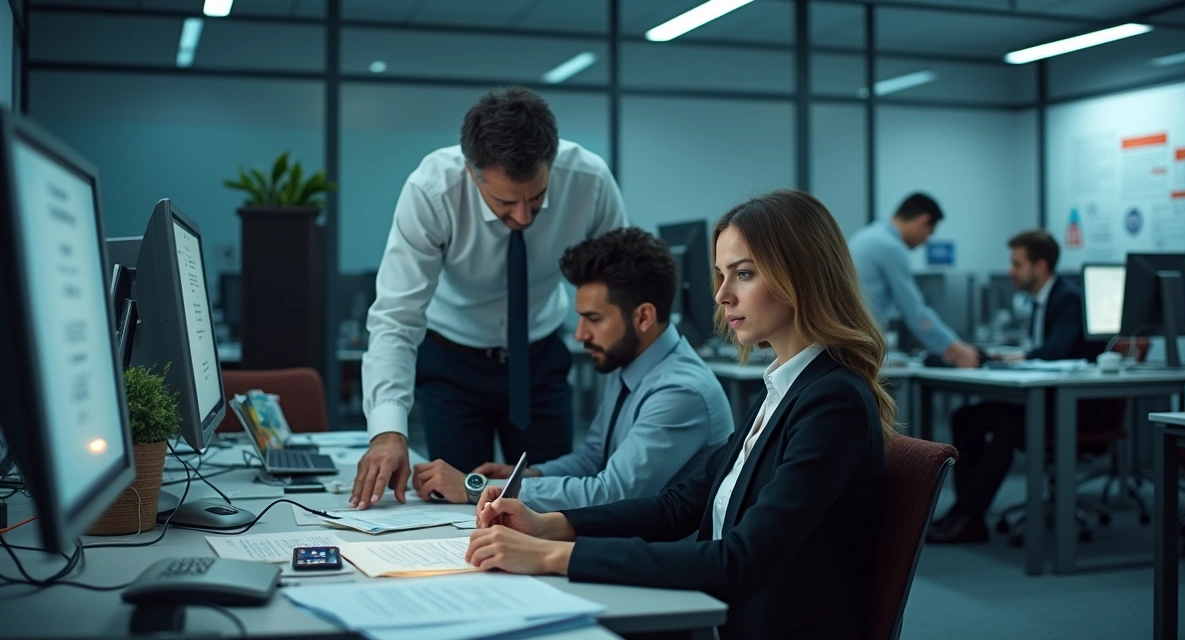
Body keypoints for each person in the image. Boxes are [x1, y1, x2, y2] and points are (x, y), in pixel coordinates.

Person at [464, 190, 897, 640]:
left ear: (801, 276)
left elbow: (740, 560)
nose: (722, 295)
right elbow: (679, 506)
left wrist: (552, 556)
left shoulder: (832, 402)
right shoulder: (781, 390)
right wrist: (553, 525)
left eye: (743, 274)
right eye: (720, 275)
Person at [352, 86, 628, 510]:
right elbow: (396, 317)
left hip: (539, 360)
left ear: (551, 163)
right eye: (504, 201)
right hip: (453, 363)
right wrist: (388, 431)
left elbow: (621, 287)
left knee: (554, 503)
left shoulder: (589, 181)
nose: (521, 217)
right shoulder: (431, 190)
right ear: (470, 171)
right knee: (454, 507)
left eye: (536, 199)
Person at [411, 228, 734, 511]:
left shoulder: (679, 392)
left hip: (661, 562)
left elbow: (613, 492)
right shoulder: (632, 365)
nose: (580, 335)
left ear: (644, 317)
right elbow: (592, 459)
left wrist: (476, 489)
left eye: (593, 319)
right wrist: (520, 478)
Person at [928, 230, 1109, 544]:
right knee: (965, 419)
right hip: (1045, 398)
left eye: (1017, 264)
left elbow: (1054, 352)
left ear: (1040, 266)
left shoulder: (1068, 299)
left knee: (1006, 425)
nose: (1010, 271)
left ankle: (970, 516)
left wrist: (1004, 357)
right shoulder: (1041, 301)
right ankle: (965, 512)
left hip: (1073, 408)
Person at [849, 192, 980, 368]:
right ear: (923, 221)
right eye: (929, 233)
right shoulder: (890, 246)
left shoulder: (867, 236)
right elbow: (916, 313)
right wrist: (956, 349)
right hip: (857, 347)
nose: (926, 241)